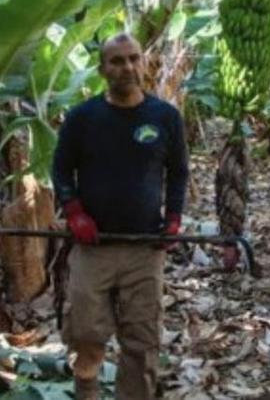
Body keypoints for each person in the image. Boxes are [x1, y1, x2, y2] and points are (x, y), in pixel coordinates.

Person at [51, 33, 189, 399]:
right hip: (93, 248)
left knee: (141, 342)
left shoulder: (165, 117)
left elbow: (178, 173)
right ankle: (87, 392)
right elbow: (62, 170)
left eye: (133, 58)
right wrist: (74, 211)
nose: (127, 67)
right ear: (102, 69)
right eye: (117, 61)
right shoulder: (83, 118)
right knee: (86, 334)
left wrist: (173, 218)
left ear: (143, 62)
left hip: (145, 248)